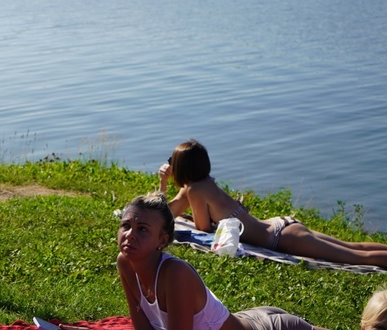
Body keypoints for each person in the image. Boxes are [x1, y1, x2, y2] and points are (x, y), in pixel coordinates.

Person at [117, 192, 329, 330]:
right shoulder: (125, 263)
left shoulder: (174, 273)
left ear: (162, 240)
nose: (130, 235)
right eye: (125, 226)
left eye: (142, 229)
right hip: (246, 318)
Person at [160, 139, 387, 267]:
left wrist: (171, 187)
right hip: (283, 226)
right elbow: (166, 213)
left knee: (356, 258)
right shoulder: (206, 183)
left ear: (182, 167)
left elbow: (202, 230)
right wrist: (163, 183)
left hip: (280, 239)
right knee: (354, 248)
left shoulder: (195, 189)